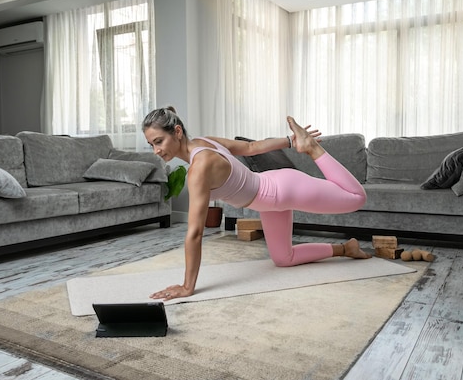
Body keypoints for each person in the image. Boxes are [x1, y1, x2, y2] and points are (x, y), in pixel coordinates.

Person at [142, 107, 370, 301]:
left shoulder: (199, 168)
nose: (156, 150)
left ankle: (313, 149)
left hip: (283, 189)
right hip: (268, 203)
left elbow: (194, 233)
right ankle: (346, 248)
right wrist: (289, 140)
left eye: (159, 141)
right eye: (151, 144)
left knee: (357, 198)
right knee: (283, 259)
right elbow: (251, 148)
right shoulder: (204, 141)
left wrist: (187, 286)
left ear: (178, 132)